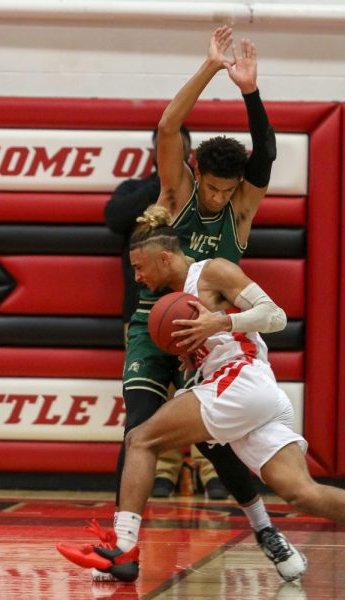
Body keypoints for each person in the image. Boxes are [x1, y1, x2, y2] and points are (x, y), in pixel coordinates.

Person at [58, 207, 345, 591]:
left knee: (141, 438)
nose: (136, 276)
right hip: (251, 392)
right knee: (299, 492)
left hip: (241, 379)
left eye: (139, 267)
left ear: (164, 257)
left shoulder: (211, 271)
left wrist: (221, 322)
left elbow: (275, 315)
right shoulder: (172, 298)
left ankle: (124, 548)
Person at [113, 25, 303, 579]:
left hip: (211, 344)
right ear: (199, 173)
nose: (219, 197)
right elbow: (169, 126)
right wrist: (210, 68)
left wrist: (249, 91)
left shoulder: (240, 211)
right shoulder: (177, 193)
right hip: (154, 325)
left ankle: (266, 530)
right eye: (214, 187)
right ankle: (123, 545)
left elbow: (265, 153)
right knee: (139, 428)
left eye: (228, 189)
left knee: (220, 447)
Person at [104, 127, 228, 501]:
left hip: (198, 303)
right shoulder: (135, 189)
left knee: (204, 387)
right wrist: (162, 179)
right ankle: (164, 471)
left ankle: (214, 473)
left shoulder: (202, 194)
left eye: (177, 150)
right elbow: (113, 218)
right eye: (165, 149)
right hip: (144, 310)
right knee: (157, 395)